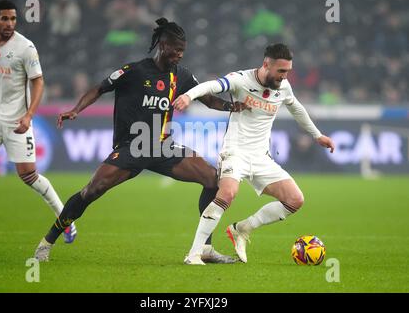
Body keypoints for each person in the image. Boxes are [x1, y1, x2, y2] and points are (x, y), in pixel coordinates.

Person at [34, 18, 247, 263]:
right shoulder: (134, 71)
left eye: (182, 51)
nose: (179, 55)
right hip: (132, 147)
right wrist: (76, 110)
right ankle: (47, 242)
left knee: (212, 179)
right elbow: (99, 88)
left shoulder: (182, 76)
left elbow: (208, 100)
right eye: (175, 49)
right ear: (162, 45)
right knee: (92, 191)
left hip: (162, 146)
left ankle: (205, 249)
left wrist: (233, 106)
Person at [174, 43, 335, 265]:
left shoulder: (284, 86)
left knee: (295, 200)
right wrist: (189, 96)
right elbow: (211, 86)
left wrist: (317, 136)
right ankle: (194, 254)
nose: (284, 76)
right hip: (235, 152)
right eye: (281, 71)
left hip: (261, 157)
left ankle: (242, 229)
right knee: (227, 194)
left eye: (288, 71)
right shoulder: (241, 79)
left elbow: (297, 108)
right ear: (266, 64)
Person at [0, 0, 77, 243]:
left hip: (17, 119)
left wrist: (29, 115)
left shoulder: (25, 47)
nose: (10, 23)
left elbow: (38, 81)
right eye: (5, 18)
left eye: (13, 19)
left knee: (28, 176)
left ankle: (67, 221)